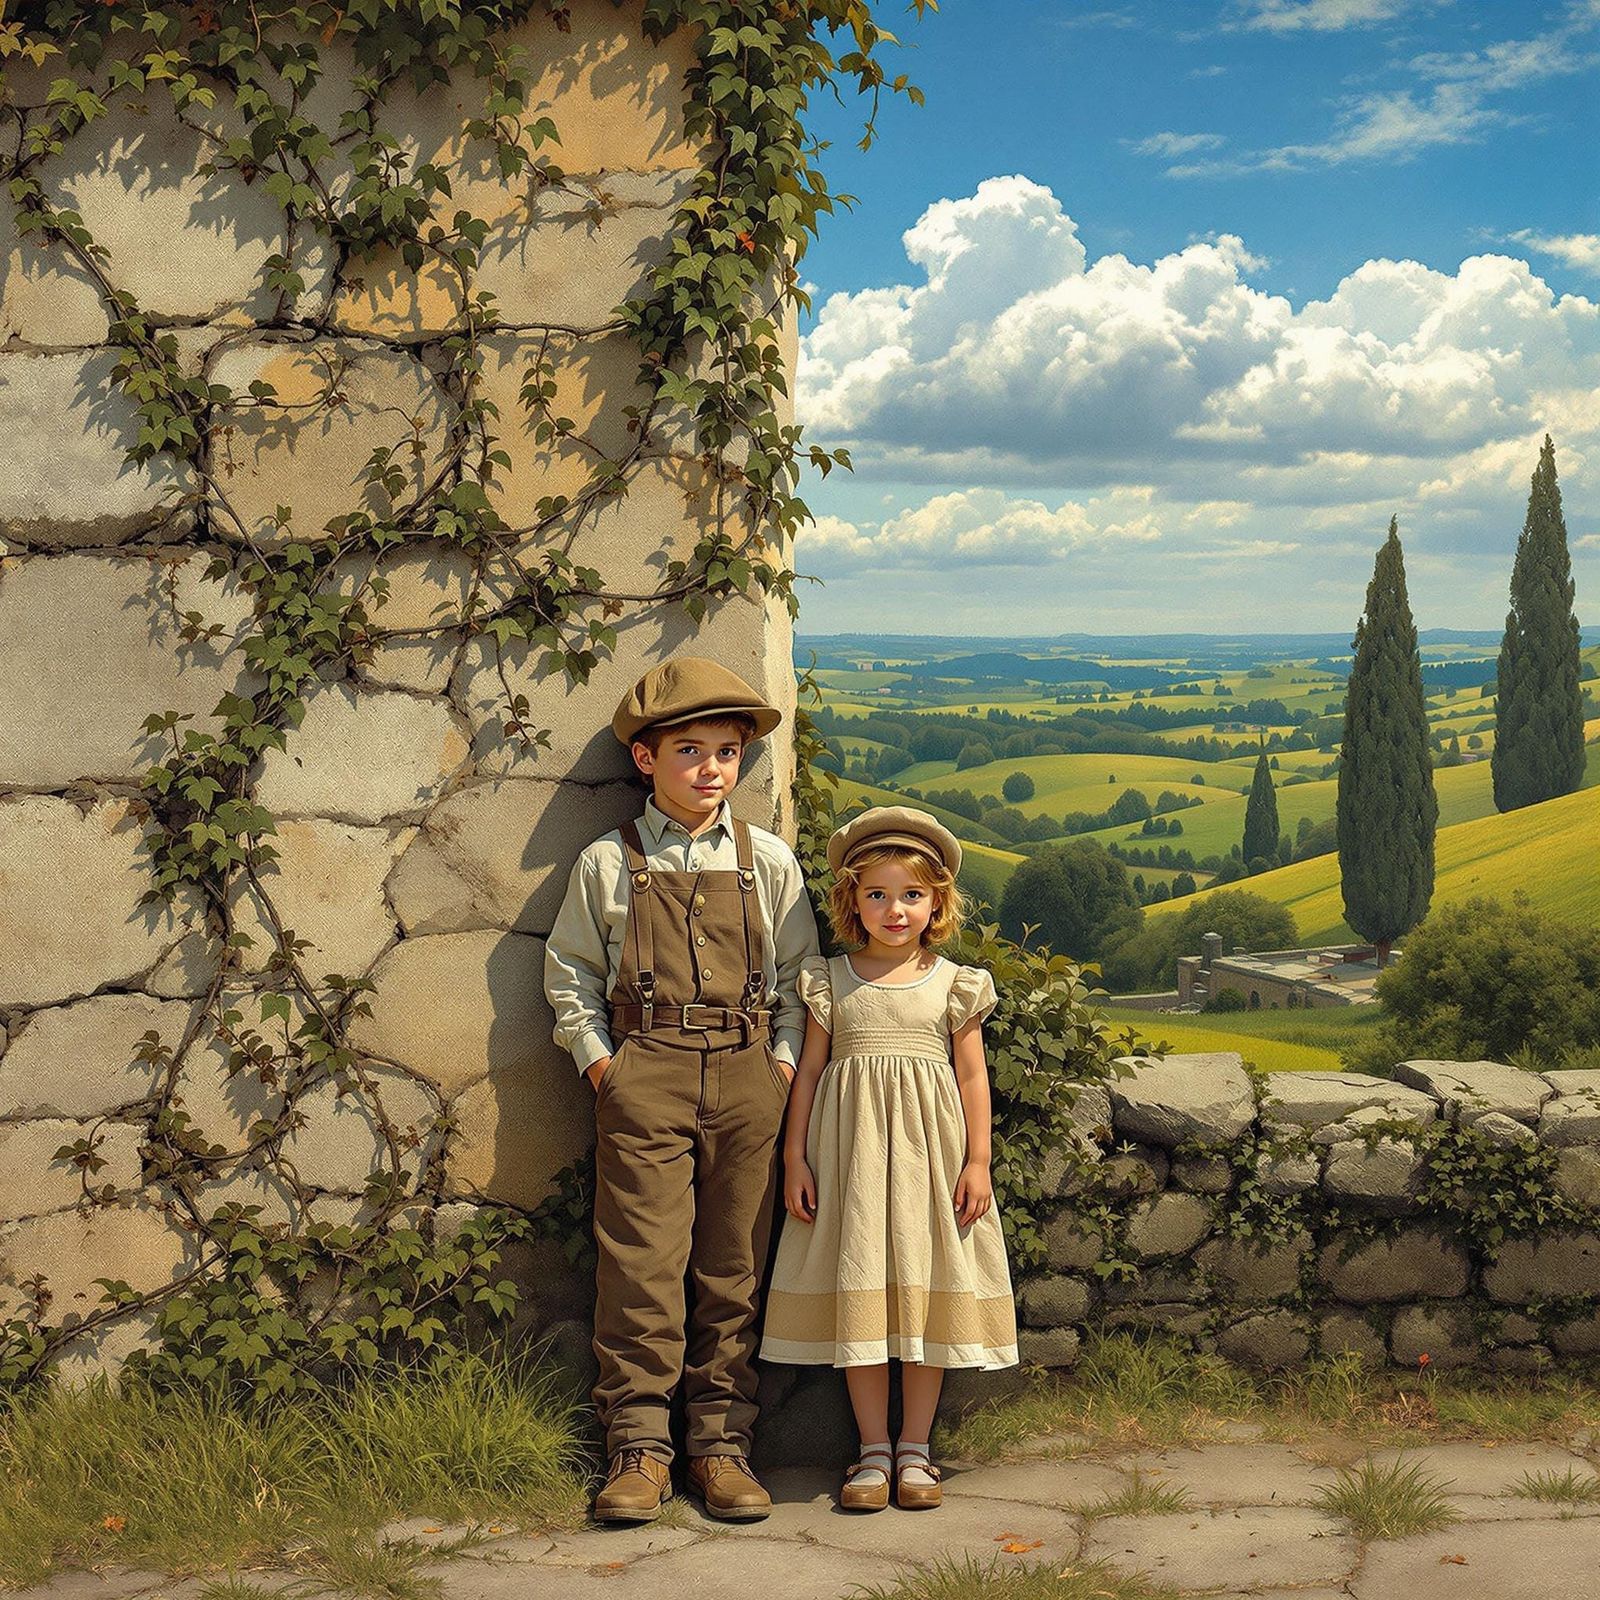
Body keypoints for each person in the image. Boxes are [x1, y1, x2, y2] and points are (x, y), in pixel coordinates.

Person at [544, 656, 820, 1524]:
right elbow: (568, 978)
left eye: (729, 753)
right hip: (646, 1072)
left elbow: (803, 977)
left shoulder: (766, 860)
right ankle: (639, 1448)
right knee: (641, 1267)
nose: (711, 769)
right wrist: (605, 1068)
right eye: (691, 750)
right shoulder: (607, 864)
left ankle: (721, 1448)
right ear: (646, 760)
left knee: (734, 1266)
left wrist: (778, 1067)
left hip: (747, 1076)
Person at [760, 805, 1017, 1511]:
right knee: (863, 1296)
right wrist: (795, 1159)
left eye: (910, 894)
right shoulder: (831, 981)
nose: (893, 909)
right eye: (876, 893)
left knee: (926, 1302)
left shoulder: (952, 983)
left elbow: (971, 1077)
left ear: (936, 901)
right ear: (852, 900)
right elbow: (808, 1074)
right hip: (851, 1168)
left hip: (933, 1166)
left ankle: (916, 1450)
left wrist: (977, 1162)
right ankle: (872, 1450)